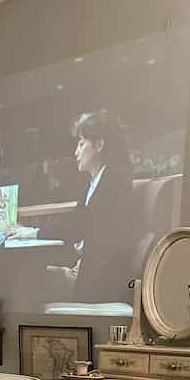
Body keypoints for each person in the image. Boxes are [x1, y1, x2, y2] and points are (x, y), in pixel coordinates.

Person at [65, 110, 138, 303]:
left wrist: (31, 233)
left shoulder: (113, 184)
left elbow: (77, 227)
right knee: (30, 277)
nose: (76, 152)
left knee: (28, 282)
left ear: (99, 145)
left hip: (100, 286)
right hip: (85, 272)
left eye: (81, 144)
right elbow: (77, 222)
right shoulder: (94, 183)